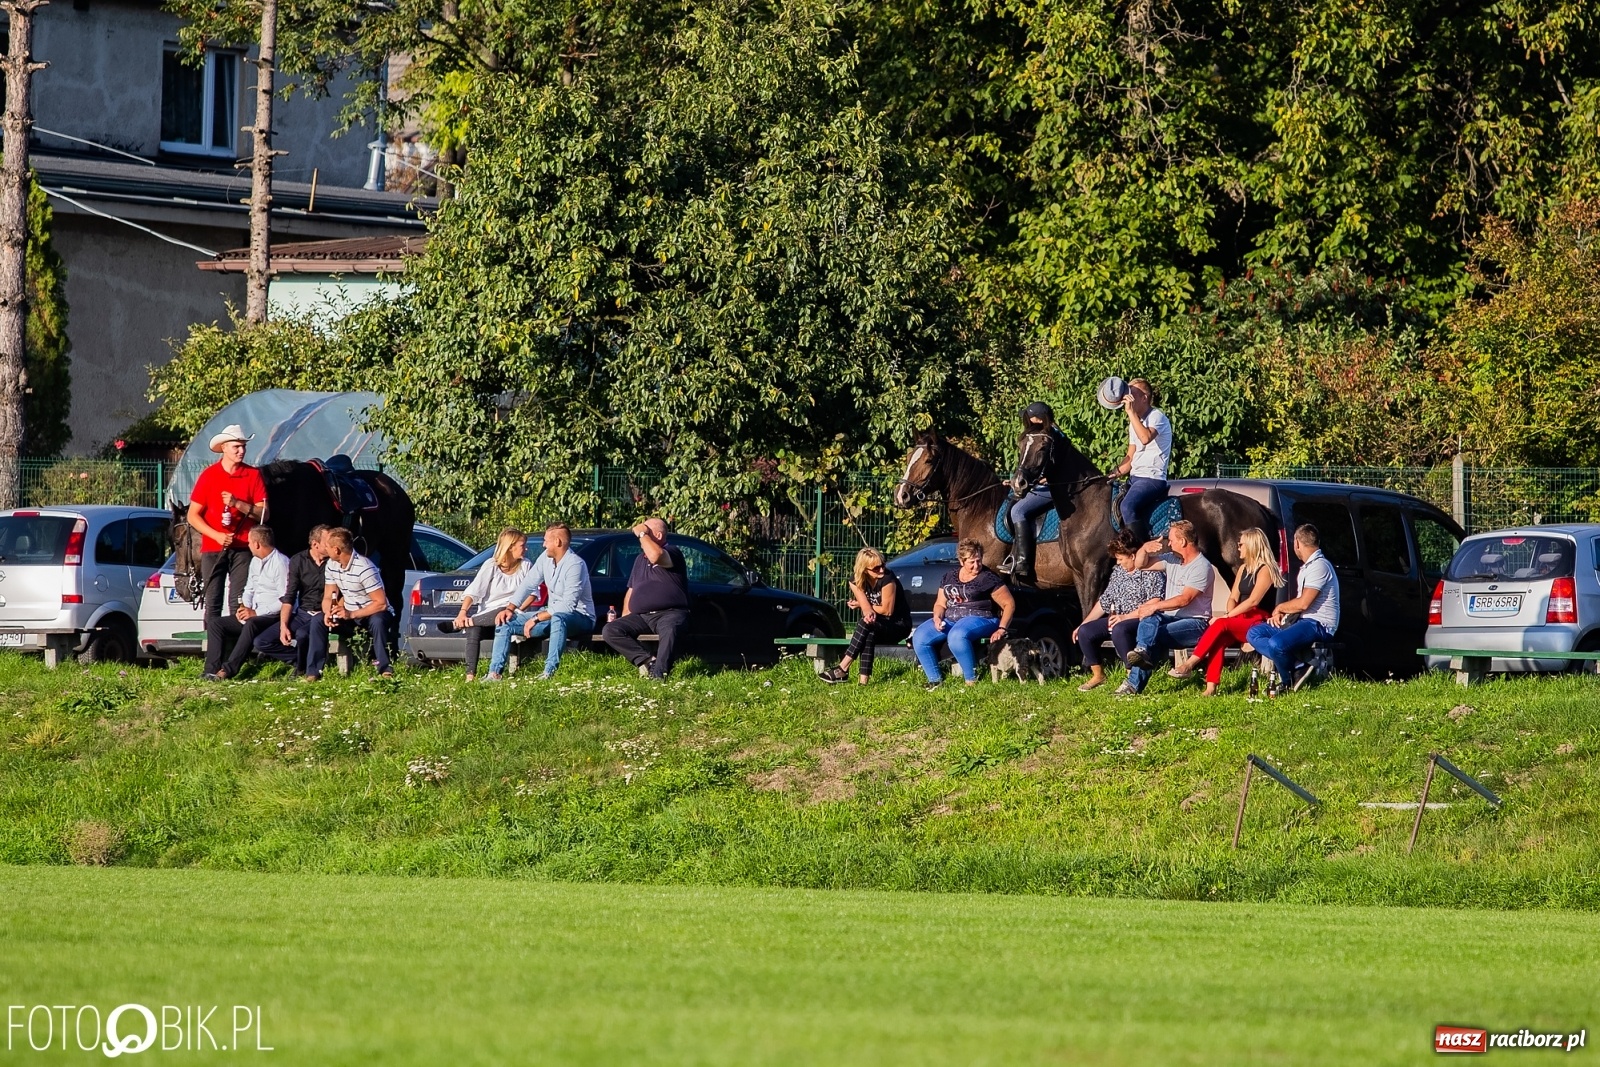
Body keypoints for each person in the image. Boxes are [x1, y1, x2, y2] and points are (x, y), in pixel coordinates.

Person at [1170, 528, 1285, 695]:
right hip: (1240, 617)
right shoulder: (1244, 568)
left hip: (1257, 619)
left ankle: (1190, 664)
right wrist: (1232, 615)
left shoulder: (1265, 569)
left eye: (1241, 544)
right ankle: (1211, 687)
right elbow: (1233, 597)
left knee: (1221, 623)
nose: (1238, 548)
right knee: (1219, 638)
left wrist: (1227, 617)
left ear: (1252, 545)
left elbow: (1253, 601)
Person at [486, 523, 595, 681]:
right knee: (505, 621)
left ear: (557, 542)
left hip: (580, 617)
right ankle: (494, 673)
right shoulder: (545, 558)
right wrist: (509, 609)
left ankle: (549, 672)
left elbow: (567, 606)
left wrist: (536, 618)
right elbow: (528, 584)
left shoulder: (575, 565)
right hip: (550, 614)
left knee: (559, 618)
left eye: (546, 541)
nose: (543, 544)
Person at [186, 423, 267, 628]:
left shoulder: (253, 475)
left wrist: (238, 504)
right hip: (214, 548)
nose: (242, 451)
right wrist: (216, 535)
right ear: (224, 448)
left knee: (238, 600)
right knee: (212, 600)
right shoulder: (209, 476)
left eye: (243, 446)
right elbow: (192, 516)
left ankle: (238, 651)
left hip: (243, 548)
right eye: (236, 446)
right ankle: (213, 652)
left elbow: (264, 514)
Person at [1120, 519, 1214, 695]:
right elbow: (1140, 564)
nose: (1168, 543)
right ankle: (1142, 652)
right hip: (1170, 618)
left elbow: (1185, 599)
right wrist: (1144, 549)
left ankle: (1132, 684)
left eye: (1171, 540)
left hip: (1194, 622)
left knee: (1154, 632)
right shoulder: (1172, 559)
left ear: (1183, 541)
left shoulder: (1202, 566)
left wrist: (1155, 606)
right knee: (1150, 619)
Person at [1247, 524, 1341, 692]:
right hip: (1301, 621)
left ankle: (1287, 682)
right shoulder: (1309, 566)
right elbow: (1299, 604)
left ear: (1297, 543)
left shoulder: (1320, 566)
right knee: (1254, 633)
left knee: (1276, 644)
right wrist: (1283, 614)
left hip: (1319, 624)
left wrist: (1280, 607)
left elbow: (1304, 603)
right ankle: (1298, 667)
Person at [911, 539, 1016, 690]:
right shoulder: (949, 577)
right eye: (971, 562)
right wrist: (937, 618)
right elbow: (940, 604)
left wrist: (1002, 629)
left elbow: (1009, 604)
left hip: (982, 618)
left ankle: (971, 679)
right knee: (920, 636)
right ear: (961, 561)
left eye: (979, 560)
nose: (976, 565)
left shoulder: (988, 578)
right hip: (951, 618)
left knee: (957, 635)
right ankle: (935, 680)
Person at [602, 518, 691, 680]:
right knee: (610, 630)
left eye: (647, 532)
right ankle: (648, 661)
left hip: (670, 613)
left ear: (657, 535)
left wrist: (642, 533)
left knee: (670, 629)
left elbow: (656, 556)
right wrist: (626, 615)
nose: (641, 537)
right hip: (642, 616)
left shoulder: (672, 552)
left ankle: (659, 675)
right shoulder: (639, 560)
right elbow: (631, 589)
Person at [1072, 538, 1166, 692]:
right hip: (1120, 617)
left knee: (1120, 629)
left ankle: (1132, 676)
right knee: (1085, 631)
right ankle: (1098, 675)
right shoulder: (1119, 572)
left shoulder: (1151, 572)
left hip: (1142, 618)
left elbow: (1154, 602)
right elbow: (1105, 601)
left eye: (1121, 559)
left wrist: (1125, 617)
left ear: (1133, 556)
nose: (1118, 563)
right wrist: (1083, 624)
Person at [441, 528, 531, 682]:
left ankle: (464, 624)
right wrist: (462, 612)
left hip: (514, 612)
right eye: (523, 545)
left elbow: (532, 594)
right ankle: (470, 676)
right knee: (474, 629)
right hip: (487, 616)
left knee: (504, 610)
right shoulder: (491, 565)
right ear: (510, 547)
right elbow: (474, 591)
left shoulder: (526, 565)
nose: (526, 549)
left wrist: (515, 609)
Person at [202, 525, 288, 680]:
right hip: (253, 611)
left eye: (249, 542)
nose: (248, 546)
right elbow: (249, 588)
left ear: (257, 544)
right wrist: (245, 607)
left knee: (252, 624)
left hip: (272, 615)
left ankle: (228, 670)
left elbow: (285, 600)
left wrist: (256, 613)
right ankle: (211, 670)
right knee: (216, 624)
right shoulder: (255, 561)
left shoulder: (281, 563)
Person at [820, 547, 912, 685]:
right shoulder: (855, 581)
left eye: (883, 565)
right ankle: (863, 683)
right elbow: (867, 608)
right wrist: (865, 609)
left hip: (898, 625)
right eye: (876, 568)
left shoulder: (888, 579)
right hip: (877, 624)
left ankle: (843, 667)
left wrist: (863, 606)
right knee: (868, 630)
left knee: (865, 623)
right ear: (864, 569)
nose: (881, 570)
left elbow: (887, 611)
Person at [255, 524, 331, 681]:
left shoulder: (333, 562)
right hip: (303, 613)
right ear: (315, 544)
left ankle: (304, 669)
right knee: (262, 641)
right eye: (327, 542)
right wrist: (284, 625)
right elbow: (289, 596)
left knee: (303, 634)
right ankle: (299, 659)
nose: (332, 546)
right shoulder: (298, 560)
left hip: (323, 614)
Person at [1004, 401, 1065, 585]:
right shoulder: (1038, 436)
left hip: (1053, 488)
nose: (1027, 421)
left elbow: (1057, 469)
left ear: (1038, 418)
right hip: (1040, 485)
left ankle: (1022, 561)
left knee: (1018, 511)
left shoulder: (1053, 438)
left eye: (1029, 417)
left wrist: (1041, 480)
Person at [321, 527, 393, 677]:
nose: (324, 549)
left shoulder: (364, 568)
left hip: (372, 612)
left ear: (336, 550)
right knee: (317, 621)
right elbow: (329, 595)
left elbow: (381, 603)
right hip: (349, 612)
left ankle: (385, 669)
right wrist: (328, 612)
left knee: (378, 621)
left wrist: (352, 614)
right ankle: (313, 671)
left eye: (327, 546)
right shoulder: (331, 565)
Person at [1108, 379, 1172, 544]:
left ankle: (1141, 550)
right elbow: (1130, 458)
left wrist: (1130, 413)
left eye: (1132, 392)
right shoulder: (1134, 423)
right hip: (1135, 478)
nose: (1127, 396)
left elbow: (1145, 438)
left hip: (1152, 479)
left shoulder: (1157, 416)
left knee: (1127, 507)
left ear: (1144, 397)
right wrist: (1111, 475)